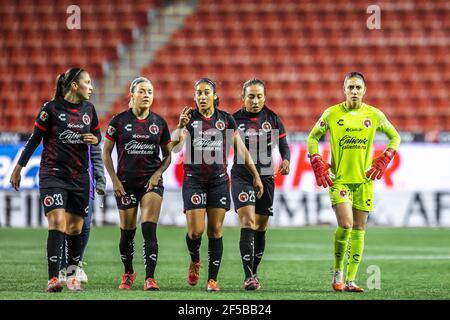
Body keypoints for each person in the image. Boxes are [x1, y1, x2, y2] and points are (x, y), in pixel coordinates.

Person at [307, 72, 401, 292]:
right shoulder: (332, 114)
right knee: (346, 224)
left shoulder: (374, 115)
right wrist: (316, 157)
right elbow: (312, 137)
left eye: (358, 87)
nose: (355, 91)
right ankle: (338, 272)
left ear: (364, 90)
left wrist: (386, 156)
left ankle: (350, 280)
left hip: (364, 181)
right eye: (351, 87)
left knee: (359, 228)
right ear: (344, 90)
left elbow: (395, 136)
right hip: (339, 181)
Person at [9, 67, 101, 292]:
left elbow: (97, 134)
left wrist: (94, 139)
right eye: (87, 82)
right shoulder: (50, 109)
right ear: (74, 86)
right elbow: (33, 140)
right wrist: (18, 168)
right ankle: (53, 278)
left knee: (75, 228)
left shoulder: (89, 109)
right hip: (52, 175)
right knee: (58, 223)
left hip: (80, 177)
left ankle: (71, 275)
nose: (91, 87)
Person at [170, 78, 264, 292]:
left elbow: (241, 149)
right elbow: (174, 149)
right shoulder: (189, 119)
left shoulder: (226, 120)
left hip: (218, 182)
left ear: (214, 96)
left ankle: (212, 279)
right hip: (194, 181)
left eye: (206, 92)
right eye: (198, 93)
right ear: (194, 97)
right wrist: (179, 127)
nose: (202, 96)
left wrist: (256, 175)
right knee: (195, 232)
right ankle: (195, 259)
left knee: (215, 230)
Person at [103, 77, 172, 291]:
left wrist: (158, 173)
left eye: (150, 91)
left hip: (151, 182)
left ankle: (150, 278)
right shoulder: (118, 121)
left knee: (149, 228)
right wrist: (114, 180)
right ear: (131, 95)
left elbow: (168, 156)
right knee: (127, 232)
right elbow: (106, 152)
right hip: (125, 183)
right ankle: (128, 272)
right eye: (142, 91)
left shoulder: (159, 123)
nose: (147, 95)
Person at [231, 79, 290, 290]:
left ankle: (254, 272)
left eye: (259, 96)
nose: (255, 101)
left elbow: (283, 145)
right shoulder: (234, 120)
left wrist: (285, 160)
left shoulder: (272, 119)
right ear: (243, 97)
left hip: (266, 176)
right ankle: (248, 277)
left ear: (264, 97)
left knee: (261, 226)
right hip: (242, 176)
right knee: (247, 221)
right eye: (251, 96)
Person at [59, 143, 106, 284]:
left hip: (85, 183)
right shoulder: (59, 123)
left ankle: (76, 263)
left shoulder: (89, 124)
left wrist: (100, 181)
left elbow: (97, 157)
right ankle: (62, 268)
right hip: (61, 180)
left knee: (84, 226)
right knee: (63, 225)